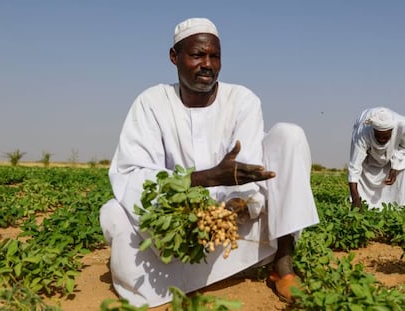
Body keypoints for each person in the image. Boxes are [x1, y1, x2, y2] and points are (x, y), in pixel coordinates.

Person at [100, 17, 319, 307]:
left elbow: (250, 168)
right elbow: (132, 172)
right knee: (113, 212)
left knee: (289, 135)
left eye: (214, 56)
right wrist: (208, 178)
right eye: (197, 55)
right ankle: (191, 275)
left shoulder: (242, 99)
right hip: (181, 228)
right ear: (174, 57)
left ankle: (282, 268)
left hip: (234, 223)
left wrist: (229, 206)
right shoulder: (151, 102)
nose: (208, 64)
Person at [348, 107, 405, 211]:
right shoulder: (362, 132)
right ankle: (360, 203)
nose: (381, 140)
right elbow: (354, 166)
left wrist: (395, 167)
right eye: (378, 136)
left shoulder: (402, 125)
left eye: (385, 137)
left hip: (392, 153)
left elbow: (404, 147)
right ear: (373, 130)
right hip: (368, 157)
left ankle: (396, 207)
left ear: (392, 131)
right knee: (361, 174)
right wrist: (355, 198)